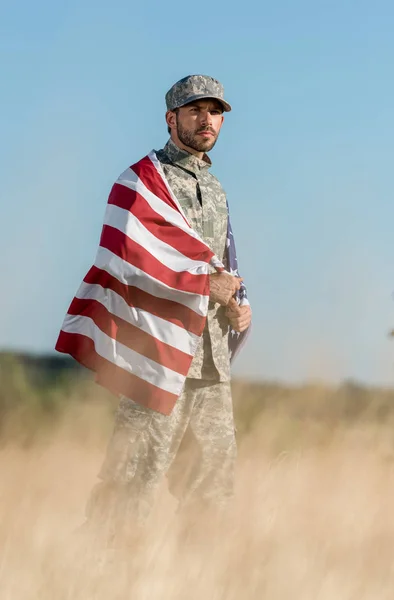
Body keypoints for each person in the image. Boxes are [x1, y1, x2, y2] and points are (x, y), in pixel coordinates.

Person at [82, 75, 252, 544]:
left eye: (215, 111)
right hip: (157, 355)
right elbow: (126, 260)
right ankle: (100, 581)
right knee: (132, 480)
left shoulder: (215, 187)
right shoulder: (142, 179)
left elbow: (222, 261)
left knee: (213, 488)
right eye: (195, 110)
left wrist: (240, 304)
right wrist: (203, 284)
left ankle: (198, 584)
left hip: (212, 362)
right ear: (171, 118)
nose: (207, 119)